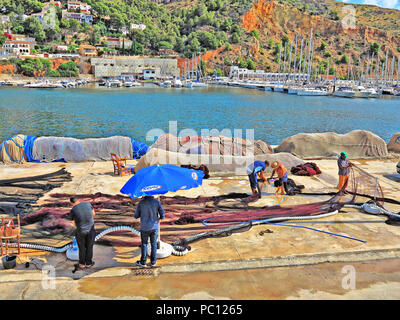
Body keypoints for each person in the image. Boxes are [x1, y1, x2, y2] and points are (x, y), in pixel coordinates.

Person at [134, 195, 165, 268]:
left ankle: (143, 262)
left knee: (144, 244)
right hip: (154, 227)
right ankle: (153, 262)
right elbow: (162, 215)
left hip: (144, 227)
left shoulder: (141, 203)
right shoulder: (156, 202)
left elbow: (136, 216)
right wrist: (159, 220)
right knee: (154, 244)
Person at [69, 197, 96, 270]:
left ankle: (81, 264)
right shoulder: (88, 204)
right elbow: (93, 214)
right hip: (91, 230)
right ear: (78, 200)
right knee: (89, 247)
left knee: (82, 248)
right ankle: (89, 263)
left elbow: (73, 223)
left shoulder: (73, 210)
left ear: (71, 203)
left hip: (81, 231)